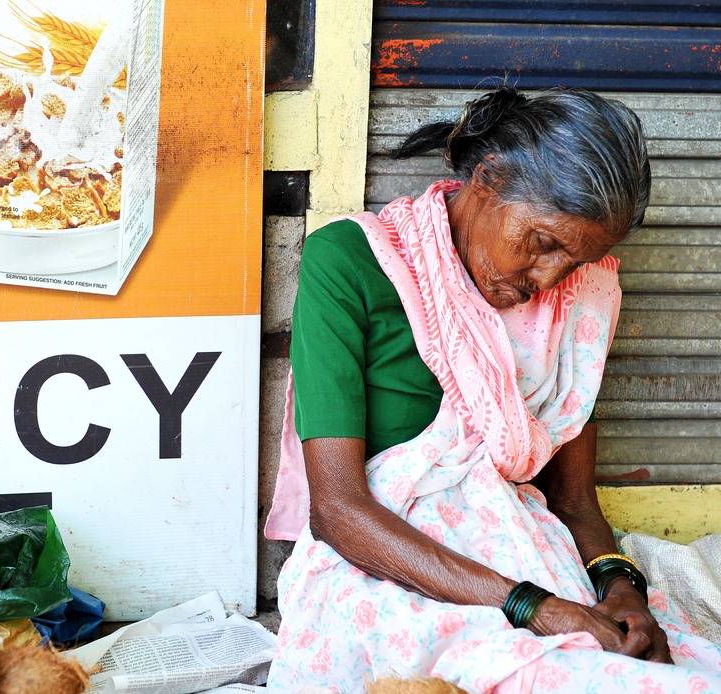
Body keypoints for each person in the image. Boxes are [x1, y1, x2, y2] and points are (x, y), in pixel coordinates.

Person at [263, 87, 721, 693]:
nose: (549, 281)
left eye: (575, 263)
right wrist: (536, 609)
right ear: (489, 177)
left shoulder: (576, 305)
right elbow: (339, 510)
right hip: (387, 571)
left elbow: (576, 501)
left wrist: (621, 591)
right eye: (545, 243)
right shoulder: (351, 260)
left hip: (528, 556)